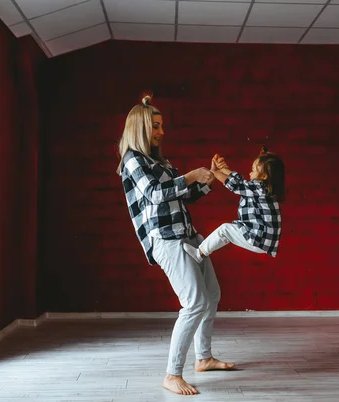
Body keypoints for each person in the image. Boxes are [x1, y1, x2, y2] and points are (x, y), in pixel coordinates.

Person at [117, 95, 234, 396]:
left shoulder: (160, 161)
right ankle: (172, 374)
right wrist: (191, 175)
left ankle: (204, 358)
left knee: (212, 295)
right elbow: (156, 194)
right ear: (141, 128)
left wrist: (209, 179)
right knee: (194, 303)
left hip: (188, 235)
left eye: (161, 126)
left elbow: (183, 196)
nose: (161, 132)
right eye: (156, 126)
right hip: (167, 241)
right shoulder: (133, 159)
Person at [182, 147, 285, 264]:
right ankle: (201, 252)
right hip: (262, 238)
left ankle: (198, 254)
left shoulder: (259, 188)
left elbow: (236, 185)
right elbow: (240, 181)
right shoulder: (261, 189)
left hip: (259, 238)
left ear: (264, 176)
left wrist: (214, 172)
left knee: (225, 229)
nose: (250, 173)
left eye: (253, 170)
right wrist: (224, 169)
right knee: (226, 232)